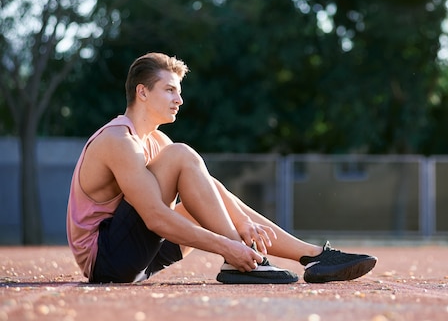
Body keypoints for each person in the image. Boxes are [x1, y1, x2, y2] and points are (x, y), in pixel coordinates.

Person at [66, 52, 377, 284]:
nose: (180, 99)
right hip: (107, 263)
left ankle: (313, 256)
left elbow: (209, 187)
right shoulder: (118, 139)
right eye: (170, 90)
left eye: (179, 91)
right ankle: (238, 261)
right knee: (182, 155)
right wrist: (228, 246)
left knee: (199, 179)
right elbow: (156, 218)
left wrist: (241, 222)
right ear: (142, 92)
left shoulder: (156, 140)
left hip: (138, 258)